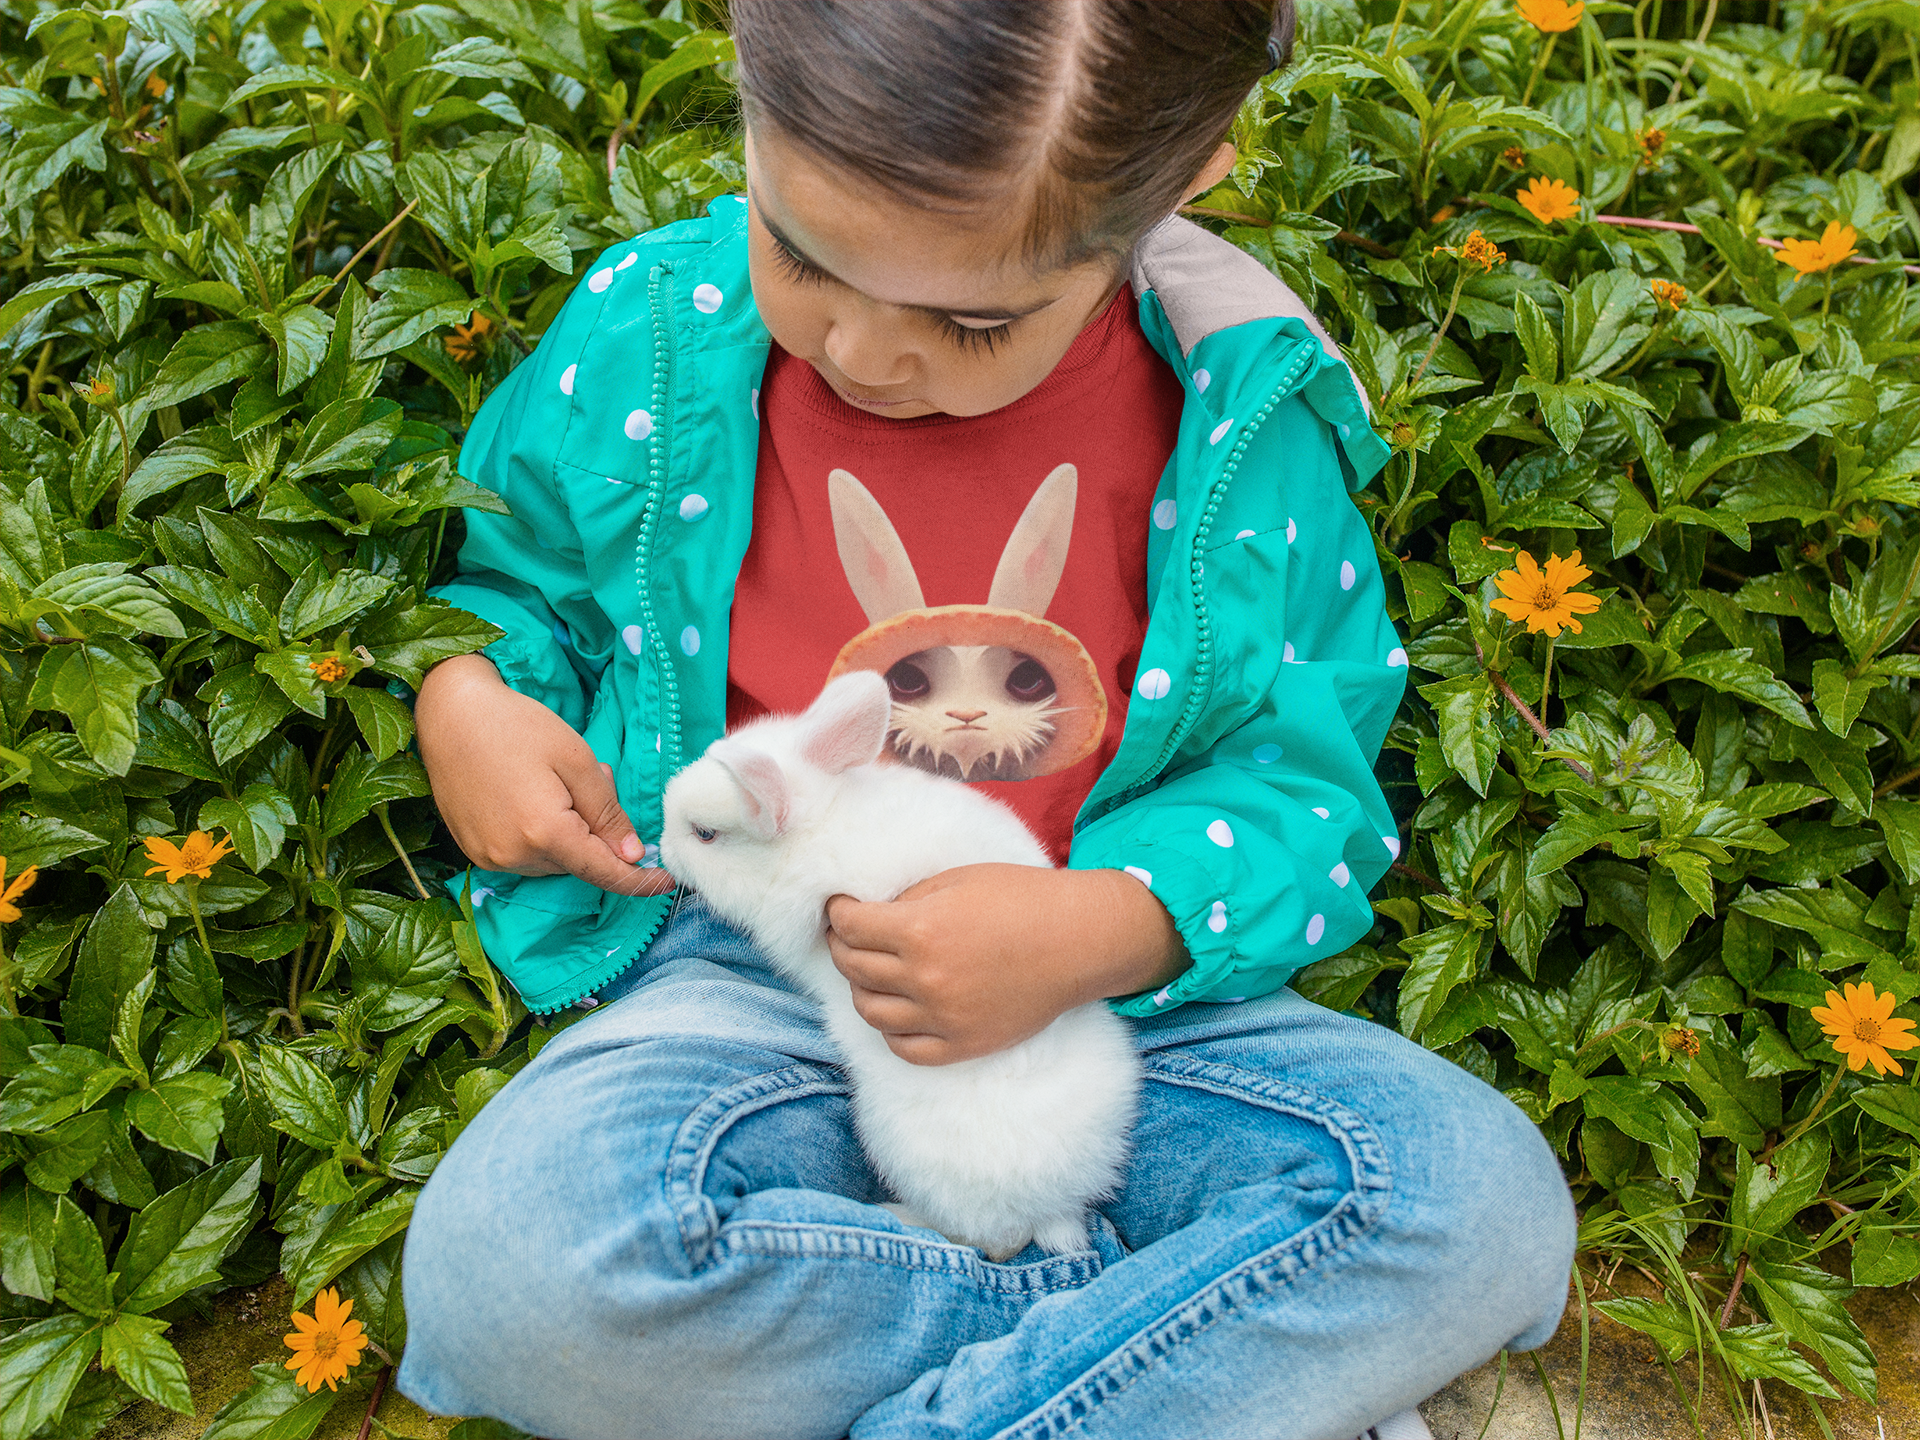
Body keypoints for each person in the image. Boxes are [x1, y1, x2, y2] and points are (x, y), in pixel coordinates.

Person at [396, 4, 1576, 1437]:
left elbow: (1308, 783)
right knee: (514, 1271)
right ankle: (1168, 1345)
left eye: (970, 320)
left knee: (1483, 1204)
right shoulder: (651, 330)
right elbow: (518, 582)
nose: (866, 350)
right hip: (752, 980)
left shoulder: (1244, 408)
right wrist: (469, 693)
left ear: (1187, 168)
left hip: (1130, 1026)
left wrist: (1106, 924)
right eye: (805, 256)